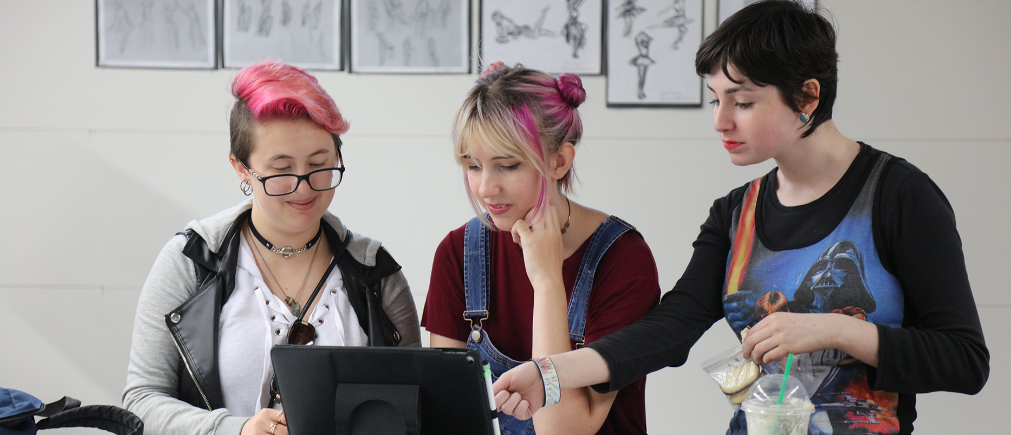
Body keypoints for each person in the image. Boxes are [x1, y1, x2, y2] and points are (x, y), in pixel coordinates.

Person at [491, 2, 989, 434]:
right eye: (715, 100)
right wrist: (550, 373)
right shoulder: (735, 213)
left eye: (743, 102)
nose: (720, 121)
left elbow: (964, 361)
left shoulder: (900, 196)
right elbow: (670, 328)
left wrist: (833, 330)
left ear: (808, 98)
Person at [123, 60, 421, 435]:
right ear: (241, 168)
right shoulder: (191, 261)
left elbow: (414, 405)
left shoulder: (376, 272)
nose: (304, 187)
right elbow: (142, 400)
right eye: (281, 170)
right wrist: (234, 430)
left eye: (319, 164)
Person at [421, 62, 661, 435]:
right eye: (473, 165)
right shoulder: (458, 252)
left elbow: (562, 431)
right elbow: (447, 413)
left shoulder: (624, 260)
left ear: (559, 161)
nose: (485, 188)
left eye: (508, 165)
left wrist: (548, 281)